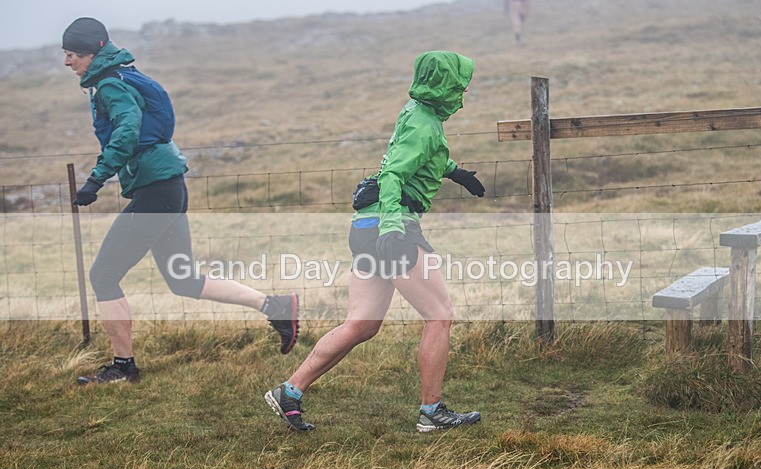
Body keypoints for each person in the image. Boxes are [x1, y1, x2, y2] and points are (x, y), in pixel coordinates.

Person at [62, 17, 299, 385]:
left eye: (72, 54)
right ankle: (275, 306)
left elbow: (126, 131)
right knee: (183, 279)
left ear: (92, 53)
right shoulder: (124, 75)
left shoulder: (110, 85)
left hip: (156, 191)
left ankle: (124, 367)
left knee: (103, 276)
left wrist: (96, 179)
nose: (67, 61)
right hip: (167, 186)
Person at [264, 51, 485, 433]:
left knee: (361, 324)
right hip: (391, 224)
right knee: (440, 315)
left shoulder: (416, 112)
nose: (463, 93)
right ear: (445, 85)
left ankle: (289, 391)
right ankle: (432, 412)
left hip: (366, 226)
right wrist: (393, 230)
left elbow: (411, 154)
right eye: (459, 85)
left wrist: (455, 172)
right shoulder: (425, 123)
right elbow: (394, 174)